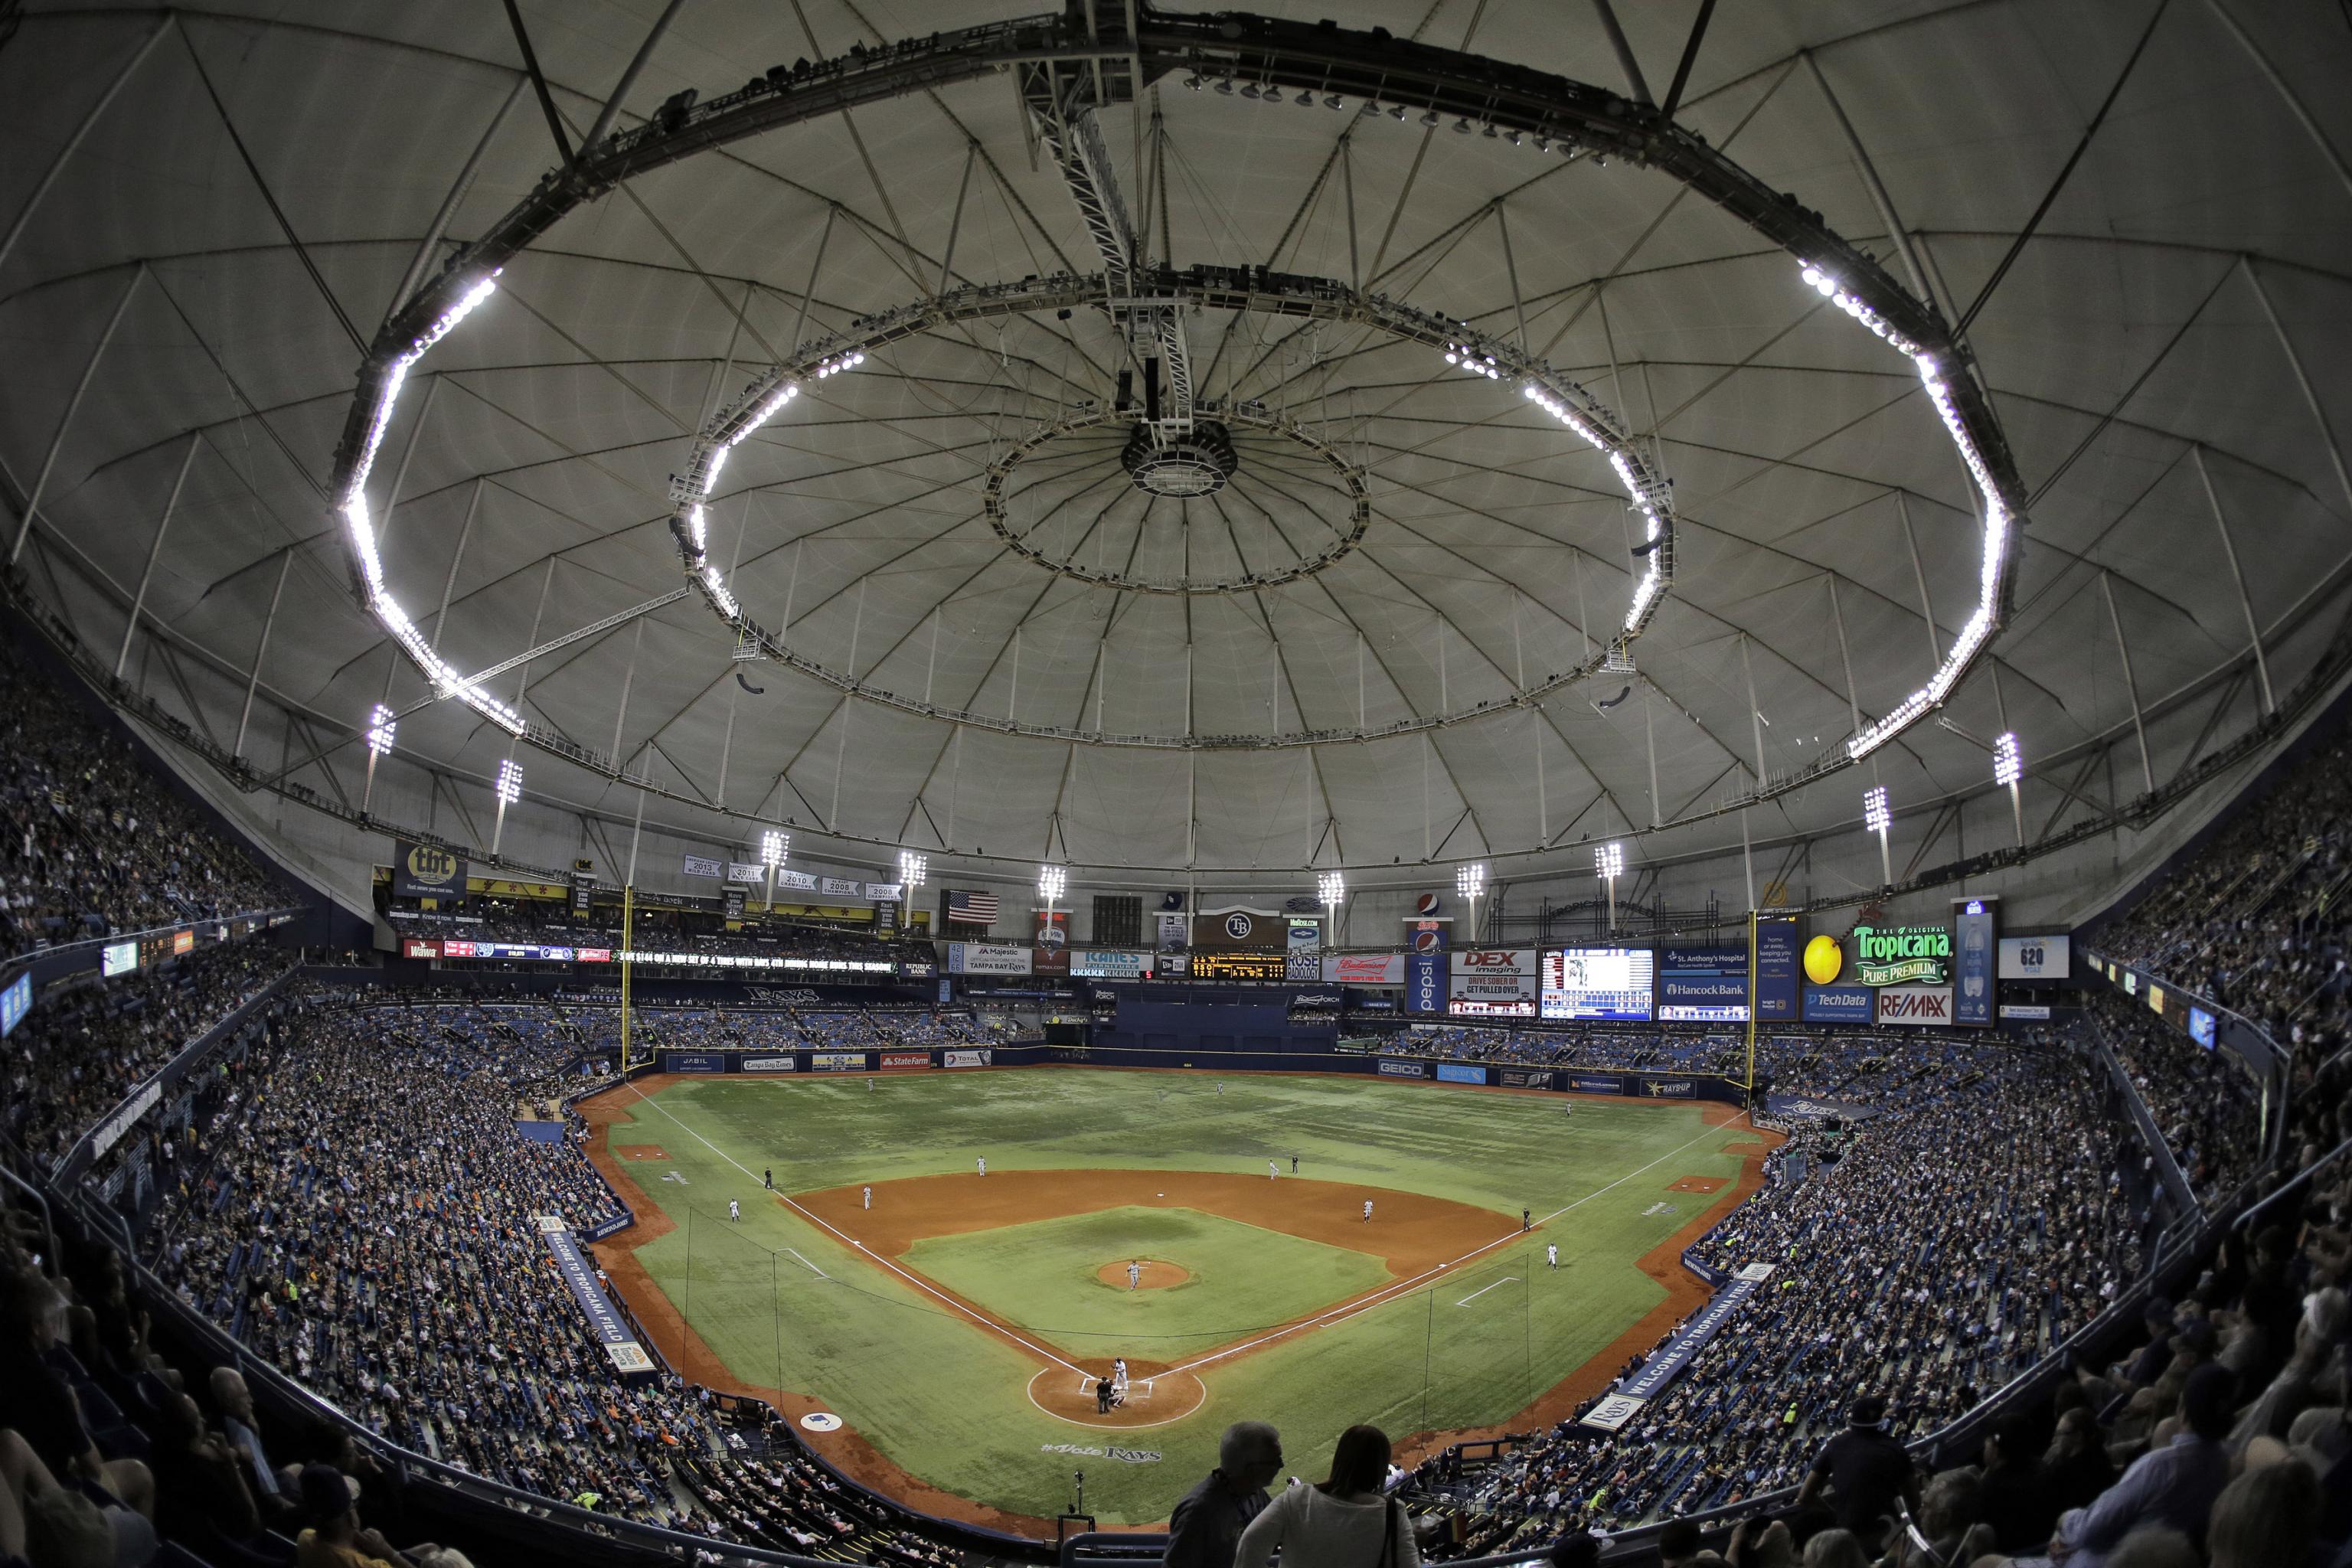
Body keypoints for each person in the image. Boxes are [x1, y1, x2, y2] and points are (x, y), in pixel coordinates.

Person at [2047, 1362, 2235, 1567]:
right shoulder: (2225, 1460)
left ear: (2182, 1407)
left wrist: (2066, 1518)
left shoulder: (2159, 1466)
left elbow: (2088, 1530)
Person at [1233, 1425, 1418, 1568]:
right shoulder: (1393, 1513)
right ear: (1380, 1468)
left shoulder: (1296, 1498)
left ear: (1339, 1459)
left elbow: (1249, 1544)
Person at [1795, 1395, 1916, 1549]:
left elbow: (1804, 1496)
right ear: (1880, 1420)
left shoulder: (1835, 1445)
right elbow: (1914, 1500)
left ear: (1851, 1418)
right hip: (1893, 1533)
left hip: (1851, 1536)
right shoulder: (1895, 1448)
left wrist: (1836, 1515)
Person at [1165, 1421, 1282, 1568]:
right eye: (1274, 1461)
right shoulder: (1198, 1513)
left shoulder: (1255, 1491)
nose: (1281, 1465)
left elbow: (1277, 1532)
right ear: (1251, 1468)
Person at [294, 1463, 414, 1568]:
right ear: (352, 1517)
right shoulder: (368, 1565)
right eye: (354, 1506)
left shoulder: (304, 1539)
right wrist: (389, 1553)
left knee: (428, 1548)